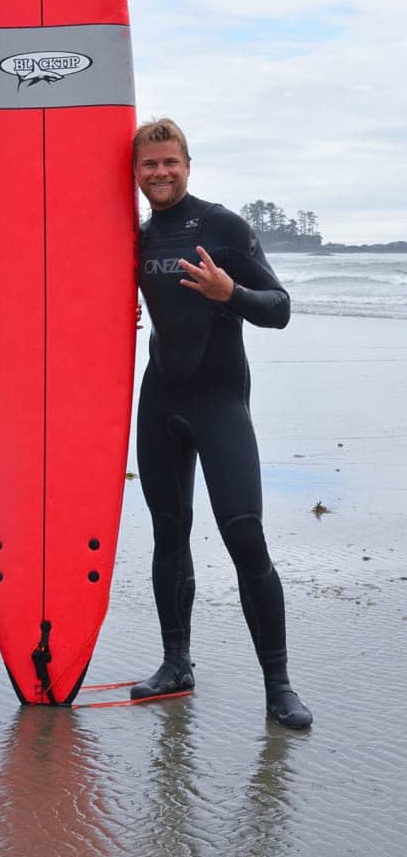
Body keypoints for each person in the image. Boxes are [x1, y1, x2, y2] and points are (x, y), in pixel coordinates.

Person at [131, 118, 312, 728]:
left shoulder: (223, 227)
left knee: (244, 537)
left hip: (219, 403)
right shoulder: (135, 237)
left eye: (169, 162)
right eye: (148, 165)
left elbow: (279, 309)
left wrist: (228, 290)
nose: (160, 173)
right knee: (168, 533)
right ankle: (175, 663)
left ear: (188, 164)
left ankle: (279, 686)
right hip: (159, 400)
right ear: (136, 172)